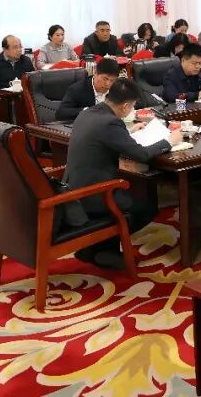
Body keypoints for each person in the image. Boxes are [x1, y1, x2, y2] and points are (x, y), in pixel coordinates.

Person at [64, 78, 181, 268]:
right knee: (147, 209)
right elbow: (142, 155)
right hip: (94, 194)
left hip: (73, 188)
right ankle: (102, 248)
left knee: (133, 196)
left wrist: (128, 132)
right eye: (133, 106)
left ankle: (96, 249)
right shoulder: (110, 123)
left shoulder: (89, 113)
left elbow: (105, 139)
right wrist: (169, 141)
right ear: (126, 106)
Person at [55, 57, 122, 121]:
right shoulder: (78, 89)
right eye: (105, 79)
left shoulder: (116, 89)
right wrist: (86, 111)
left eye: (112, 80)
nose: (108, 84)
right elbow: (61, 113)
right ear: (95, 73)